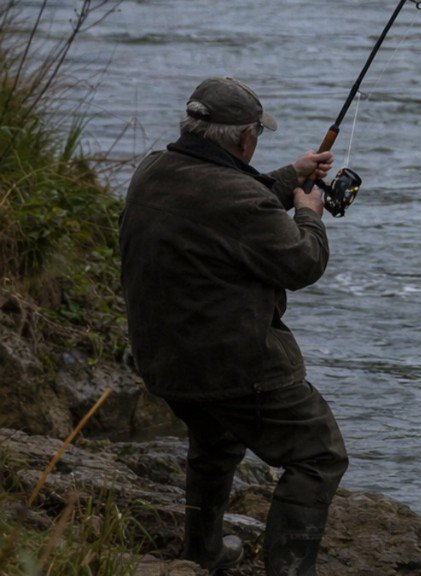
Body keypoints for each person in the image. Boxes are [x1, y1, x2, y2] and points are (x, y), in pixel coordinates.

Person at [119, 77, 349, 576]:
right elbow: (302, 263)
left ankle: (202, 552)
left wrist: (290, 175)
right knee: (318, 454)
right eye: (256, 135)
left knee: (216, 440)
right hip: (236, 367)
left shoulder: (153, 170)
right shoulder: (240, 199)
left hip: (165, 361)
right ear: (245, 137)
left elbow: (226, 201)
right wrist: (309, 214)